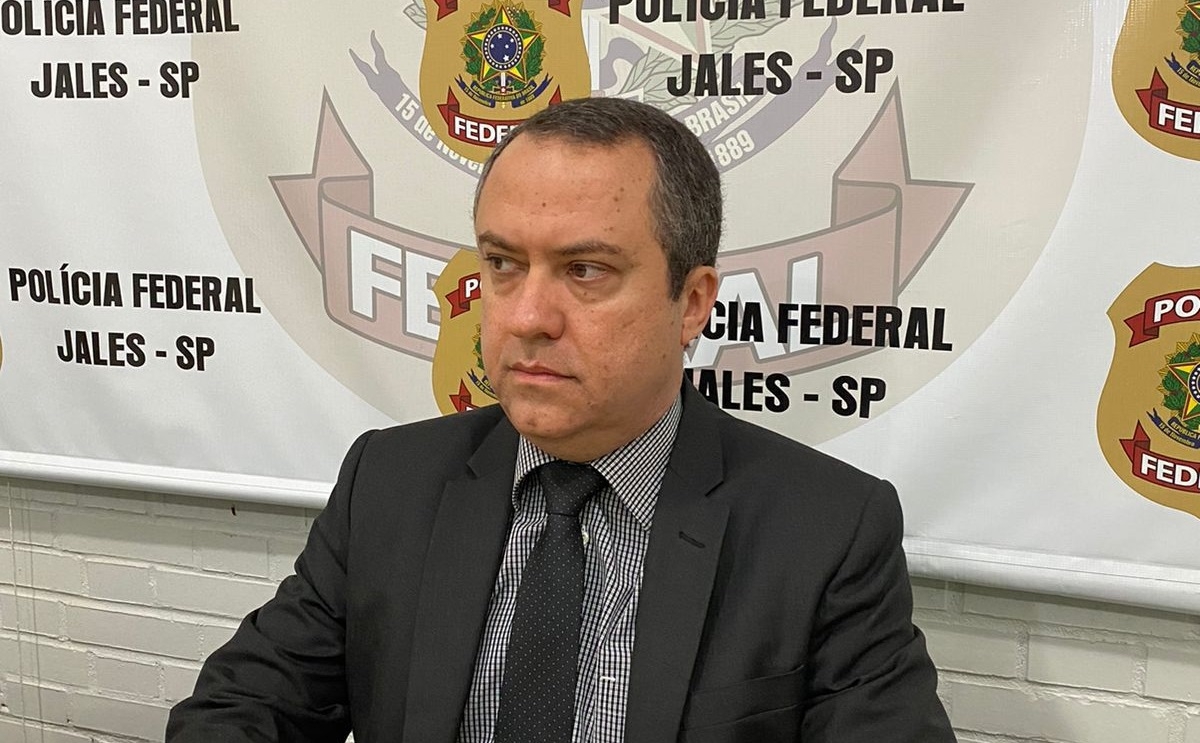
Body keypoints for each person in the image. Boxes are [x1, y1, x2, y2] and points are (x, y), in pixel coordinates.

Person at [166, 97, 955, 742]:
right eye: (502, 264)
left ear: (692, 302)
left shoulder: (825, 531)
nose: (527, 317)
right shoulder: (390, 483)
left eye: (585, 270)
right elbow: (242, 706)